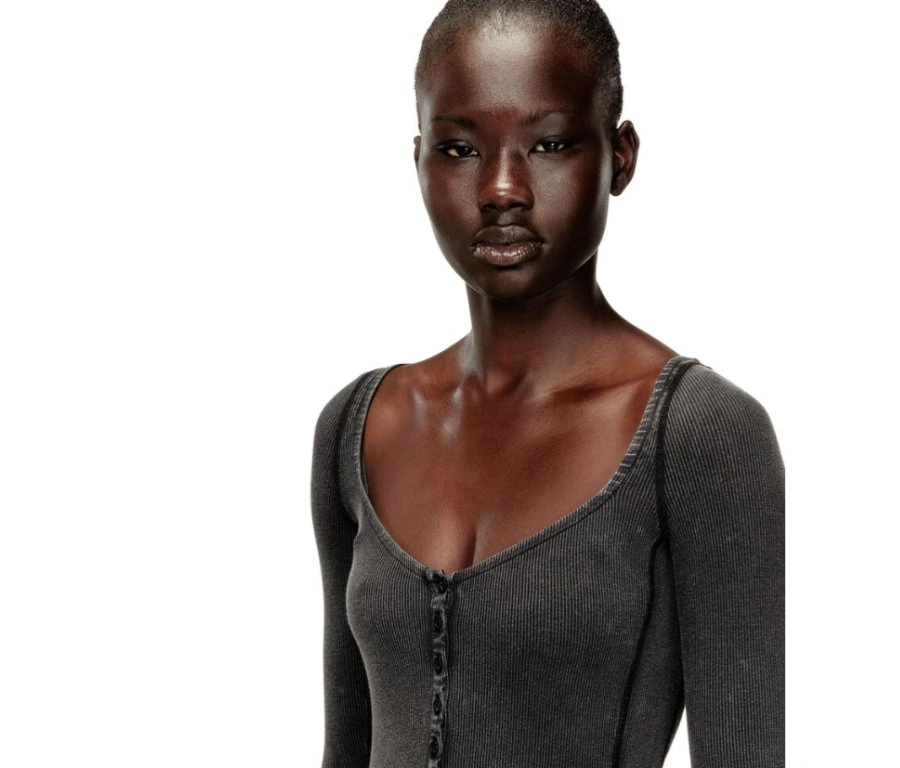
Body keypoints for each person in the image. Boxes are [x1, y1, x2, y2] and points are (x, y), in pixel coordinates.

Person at [310, 1, 784, 766]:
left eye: (550, 143)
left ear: (620, 157)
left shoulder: (697, 432)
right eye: (459, 148)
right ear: (419, 160)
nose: (502, 188)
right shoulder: (360, 427)